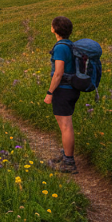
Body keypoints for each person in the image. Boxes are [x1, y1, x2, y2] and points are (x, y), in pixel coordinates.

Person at [45, 16, 79, 173]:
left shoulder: (60, 48)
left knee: (65, 126)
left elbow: (58, 73)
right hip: (72, 88)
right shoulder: (71, 45)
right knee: (66, 124)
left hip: (63, 89)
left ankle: (69, 162)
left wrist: (50, 92)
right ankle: (66, 154)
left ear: (54, 29)